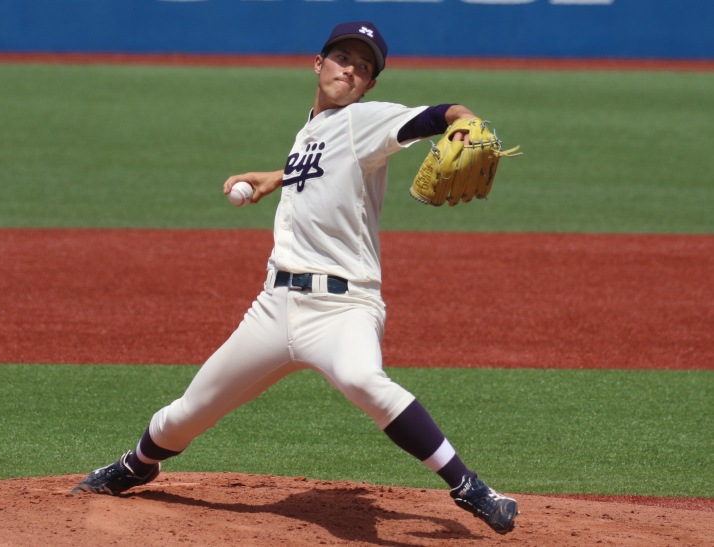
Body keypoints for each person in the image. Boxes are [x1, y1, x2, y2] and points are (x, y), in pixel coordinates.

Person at [71, 21, 518, 535]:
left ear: (370, 86)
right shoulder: (311, 130)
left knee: (361, 379)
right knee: (187, 412)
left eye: (364, 67)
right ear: (319, 64)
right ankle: (136, 465)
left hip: (343, 308)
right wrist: (275, 176)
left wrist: (464, 122)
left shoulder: (364, 120)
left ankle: (470, 488)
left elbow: (443, 114)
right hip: (273, 308)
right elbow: (324, 165)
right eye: (343, 59)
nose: (350, 70)